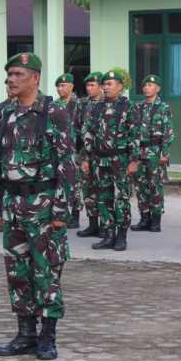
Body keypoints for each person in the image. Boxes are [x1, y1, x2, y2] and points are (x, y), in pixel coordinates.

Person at [0, 52, 76, 361]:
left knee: (47, 271)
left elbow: (67, 164)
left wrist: (60, 212)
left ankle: (47, 336)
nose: (11, 80)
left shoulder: (53, 113)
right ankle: (25, 333)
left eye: (18, 74)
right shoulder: (4, 113)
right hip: (14, 203)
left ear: (35, 78)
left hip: (43, 205)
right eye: (9, 75)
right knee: (17, 271)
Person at [82, 69, 135, 251]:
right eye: (104, 84)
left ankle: (121, 236)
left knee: (121, 198)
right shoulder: (96, 108)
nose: (105, 87)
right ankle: (108, 234)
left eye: (109, 84)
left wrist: (134, 160)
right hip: (100, 159)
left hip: (120, 159)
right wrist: (87, 158)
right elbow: (88, 132)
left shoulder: (128, 107)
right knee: (103, 198)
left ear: (120, 87)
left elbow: (136, 135)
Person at [130, 74, 174, 233]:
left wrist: (165, 153)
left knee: (155, 186)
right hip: (139, 151)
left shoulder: (163, 107)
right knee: (141, 186)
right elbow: (133, 132)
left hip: (155, 152)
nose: (147, 88)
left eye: (150, 85)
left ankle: (156, 220)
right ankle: (144, 218)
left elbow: (168, 132)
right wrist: (133, 155)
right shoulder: (137, 107)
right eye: (145, 85)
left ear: (158, 88)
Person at [74, 72, 106, 238]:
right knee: (87, 188)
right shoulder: (83, 103)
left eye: (93, 85)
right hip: (86, 152)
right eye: (87, 85)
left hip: (102, 153)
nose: (89, 88)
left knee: (102, 189)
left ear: (100, 86)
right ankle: (92, 224)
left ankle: (104, 225)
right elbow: (77, 125)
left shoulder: (106, 103)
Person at [54, 73, 80, 228]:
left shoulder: (79, 104)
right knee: (60, 183)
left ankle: (75, 215)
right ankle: (62, 214)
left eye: (63, 85)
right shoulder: (55, 105)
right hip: (58, 151)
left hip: (75, 150)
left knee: (75, 184)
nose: (60, 89)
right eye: (58, 86)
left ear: (71, 87)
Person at [0, 79, 16, 232]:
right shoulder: (2, 106)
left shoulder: (23, 106)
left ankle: (12, 218)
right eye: (6, 84)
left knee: (12, 187)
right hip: (0, 155)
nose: (9, 87)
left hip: (15, 156)